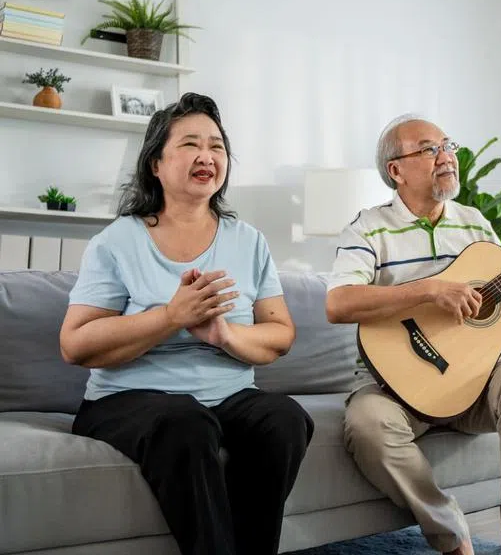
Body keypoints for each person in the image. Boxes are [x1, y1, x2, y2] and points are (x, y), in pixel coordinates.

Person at [59, 92, 314, 555]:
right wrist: (171, 317)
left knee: (285, 418)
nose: (207, 156)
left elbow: (279, 334)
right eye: (190, 144)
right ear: (155, 163)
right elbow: (75, 344)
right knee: (186, 421)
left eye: (217, 146)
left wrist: (225, 335)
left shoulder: (249, 241)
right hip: (127, 400)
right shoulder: (117, 241)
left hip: (229, 396)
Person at [324, 114, 501, 555]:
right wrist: (429, 290)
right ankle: (452, 534)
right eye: (430, 149)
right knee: (368, 425)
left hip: (471, 383)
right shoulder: (368, 228)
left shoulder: (474, 223)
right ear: (396, 170)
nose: (446, 157)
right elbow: (338, 303)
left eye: (448, 146)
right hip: (392, 386)